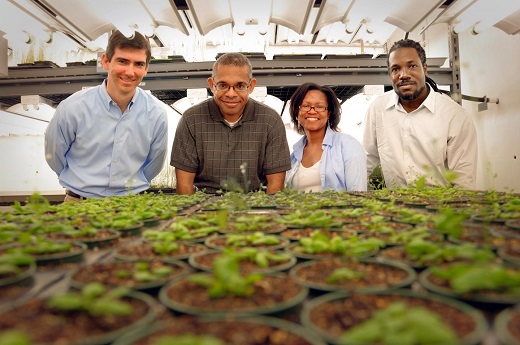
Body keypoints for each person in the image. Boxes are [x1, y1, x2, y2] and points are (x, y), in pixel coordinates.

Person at [45, 30, 168, 201]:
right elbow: (54, 156)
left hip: (132, 207)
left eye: (138, 64)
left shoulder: (156, 114)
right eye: (122, 61)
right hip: (79, 206)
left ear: (146, 68)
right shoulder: (72, 108)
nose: (130, 72)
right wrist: (82, 183)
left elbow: (154, 165)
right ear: (105, 61)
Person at [362, 39, 478, 189]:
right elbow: (366, 163)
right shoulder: (378, 109)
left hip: (441, 207)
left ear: (425, 69)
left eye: (412, 66)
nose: (403, 75)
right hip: (395, 208)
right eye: (396, 69)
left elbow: (464, 181)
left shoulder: (454, 116)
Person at [170, 52, 291, 195]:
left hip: (255, 208)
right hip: (204, 207)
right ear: (212, 85)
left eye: (240, 86)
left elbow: (275, 187)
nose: (231, 94)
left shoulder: (270, 120)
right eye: (223, 85)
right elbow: (184, 187)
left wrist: (263, 215)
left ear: (251, 86)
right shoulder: (191, 119)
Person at [285, 82, 367, 192]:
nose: (312, 111)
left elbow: (358, 195)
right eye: (305, 106)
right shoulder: (295, 155)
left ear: (329, 113)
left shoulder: (348, 146)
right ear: (296, 112)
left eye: (319, 107)